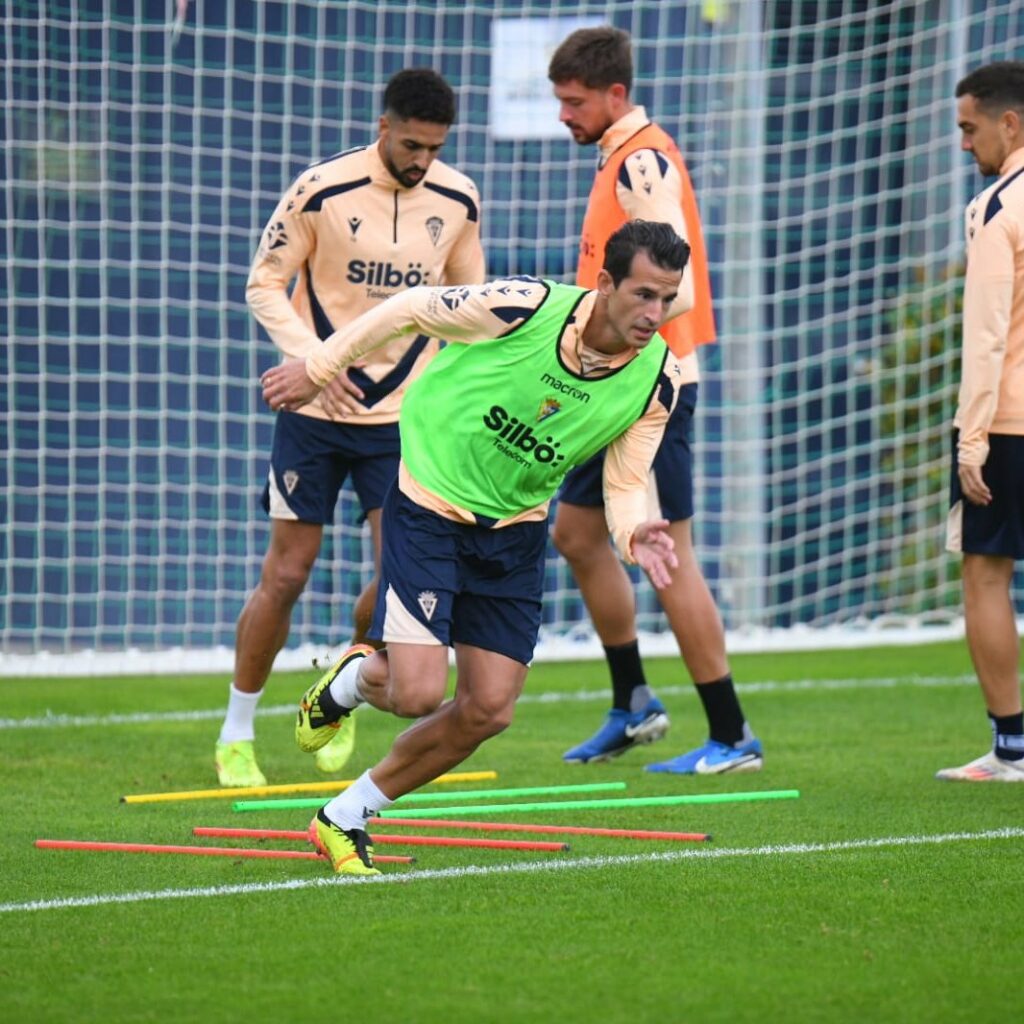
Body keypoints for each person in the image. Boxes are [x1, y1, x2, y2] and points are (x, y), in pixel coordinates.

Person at [261, 220, 689, 873]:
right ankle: (348, 683)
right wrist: (319, 367)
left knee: (489, 709)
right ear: (604, 282)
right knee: (418, 694)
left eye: (668, 298)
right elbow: (407, 310)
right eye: (643, 294)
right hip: (429, 501)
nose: (655, 313)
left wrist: (633, 533)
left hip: (514, 531)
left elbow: (626, 482)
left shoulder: (659, 379)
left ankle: (343, 816)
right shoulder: (523, 308)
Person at [214, 68, 485, 787]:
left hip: (404, 419)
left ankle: (341, 685)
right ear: (383, 126)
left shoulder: (458, 200)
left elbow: (467, 307)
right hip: (314, 412)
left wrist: (454, 402)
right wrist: (313, 363)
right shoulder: (321, 190)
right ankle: (236, 730)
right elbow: (263, 283)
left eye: (433, 147)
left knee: (397, 575)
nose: (421, 159)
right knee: (288, 572)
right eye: (410, 143)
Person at [546, 26, 761, 773]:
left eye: (574, 102)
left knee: (672, 560)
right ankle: (635, 703)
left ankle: (732, 735)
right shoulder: (616, 155)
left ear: (614, 94)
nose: (564, 116)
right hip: (607, 390)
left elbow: (682, 289)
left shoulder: (641, 160)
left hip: (651, 394)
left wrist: (606, 343)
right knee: (576, 535)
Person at [938, 61, 1024, 783]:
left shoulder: (999, 205)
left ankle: (1012, 749)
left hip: (1010, 422)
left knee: (986, 577)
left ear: (1009, 124)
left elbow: (987, 334)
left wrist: (972, 439)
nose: (965, 143)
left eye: (969, 128)